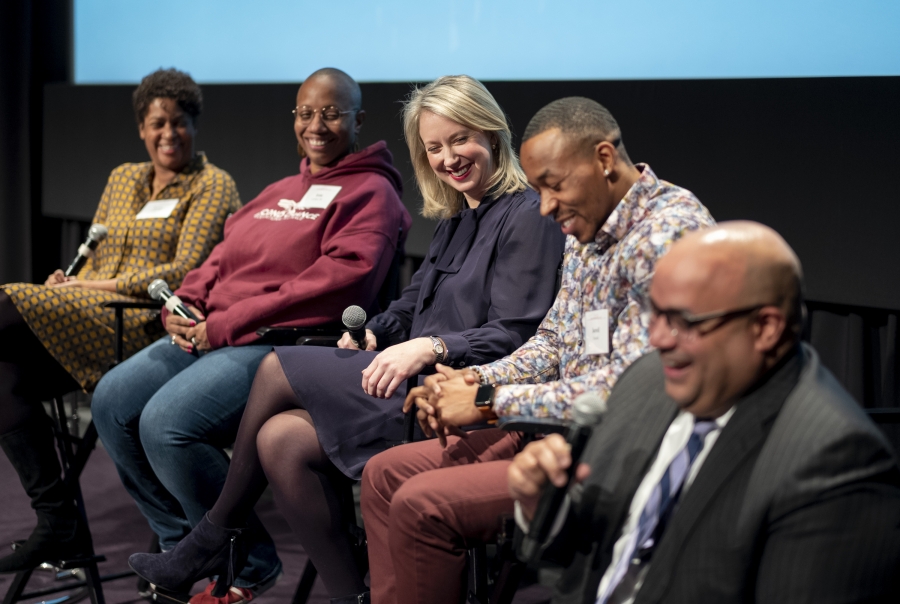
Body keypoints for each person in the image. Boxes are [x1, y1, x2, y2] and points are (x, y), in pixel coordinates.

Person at [127, 74, 565, 604]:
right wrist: (377, 330)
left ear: (493, 134)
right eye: (434, 148)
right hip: (403, 379)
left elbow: (517, 332)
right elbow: (412, 302)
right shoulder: (457, 216)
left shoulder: (526, 215)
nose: (449, 158)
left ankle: (209, 539)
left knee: (273, 368)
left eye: (460, 139)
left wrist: (431, 347)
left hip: (451, 394)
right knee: (279, 441)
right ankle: (354, 595)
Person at [360, 97, 717, 604]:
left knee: (421, 504)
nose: (544, 206)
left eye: (553, 184)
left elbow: (637, 387)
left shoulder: (665, 234)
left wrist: (490, 401)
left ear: (603, 159)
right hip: (550, 428)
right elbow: (552, 340)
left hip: (616, 451)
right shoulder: (586, 223)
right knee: (383, 475)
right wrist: (477, 381)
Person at [91, 67, 411, 601]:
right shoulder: (279, 190)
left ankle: (250, 561)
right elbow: (222, 254)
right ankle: (185, 549)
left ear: (358, 118)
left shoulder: (372, 192)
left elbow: (336, 285)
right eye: (306, 112)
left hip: (286, 343)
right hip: (216, 329)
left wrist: (227, 323)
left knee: (166, 422)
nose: (317, 123)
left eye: (332, 111)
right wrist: (188, 300)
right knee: (111, 401)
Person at [509, 222, 900, 603]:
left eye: (683, 321)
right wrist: (544, 506)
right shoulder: (649, 380)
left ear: (765, 328)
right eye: (654, 314)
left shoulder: (833, 463)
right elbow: (587, 551)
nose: (658, 339)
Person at [0, 68, 240, 572]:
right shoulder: (123, 177)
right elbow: (96, 254)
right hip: (83, 316)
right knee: (4, 381)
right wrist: (70, 279)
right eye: (157, 124)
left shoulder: (212, 184)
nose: (168, 134)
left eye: (179, 123)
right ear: (141, 129)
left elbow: (184, 271)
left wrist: (87, 288)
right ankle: (57, 520)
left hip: (141, 326)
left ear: (195, 126)